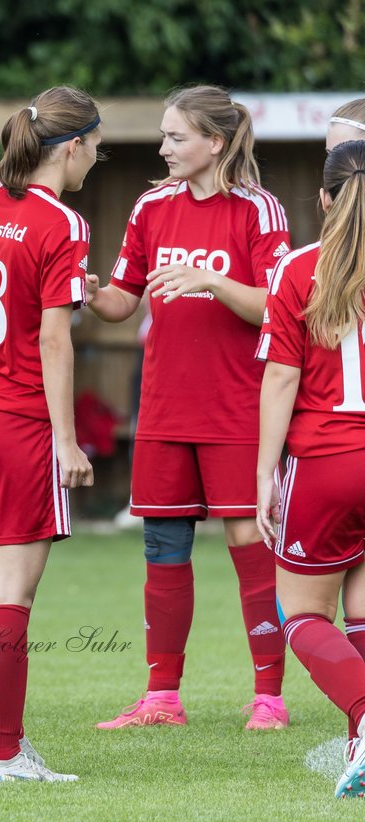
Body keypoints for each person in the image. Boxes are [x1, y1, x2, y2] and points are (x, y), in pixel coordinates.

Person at [87, 85, 292, 731]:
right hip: (165, 411)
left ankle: (269, 698)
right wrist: (89, 293)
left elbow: (276, 306)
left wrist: (210, 280)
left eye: (177, 137)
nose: (164, 147)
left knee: (249, 547)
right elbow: (125, 299)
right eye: (165, 136)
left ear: (216, 143)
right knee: (162, 546)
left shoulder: (260, 211)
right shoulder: (152, 206)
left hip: (237, 410)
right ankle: (162, 698)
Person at [0, 86, 99, 782]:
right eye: (96, 146)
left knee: (2, 583)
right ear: (71, 147)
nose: (97, 159)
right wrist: (66, 439)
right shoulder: (63, 223)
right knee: (9, 592)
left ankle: (10, 745)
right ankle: (1, 755)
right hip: (15, 421)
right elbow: (53, 344)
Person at [256, 139, 365, 798]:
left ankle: (364, 720)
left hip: (327, 460)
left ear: (324, 199)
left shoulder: (300, 268)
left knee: (301, 612)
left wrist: (265, 472)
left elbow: (280, 379)